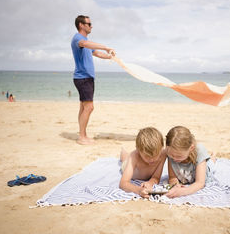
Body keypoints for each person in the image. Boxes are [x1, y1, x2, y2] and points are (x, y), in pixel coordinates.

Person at [71, 15, 116, 145]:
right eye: (89, 24)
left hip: (87, 78)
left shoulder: (86, 41)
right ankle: (82, 137)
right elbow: (85, 44)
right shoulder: (78, 39)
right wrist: (106, 47)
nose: (91, 26)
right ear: (81, 25)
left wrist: (109, 57)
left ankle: (82, 134)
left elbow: (96, 53)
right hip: (83, 77)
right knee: (89, 107)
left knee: (84, 107)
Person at [165, 126, 215, 198]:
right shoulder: (170, 151)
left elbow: (200, 183)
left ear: (191, 148)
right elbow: (172, 178)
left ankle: (212, 157)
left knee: (211, 164)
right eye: (172, 155)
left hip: (206, 169)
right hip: (188, 176)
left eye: (179, 156)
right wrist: (175, 186)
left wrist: (183, 191)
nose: (174, 158)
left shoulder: (199, 150)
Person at [119, 127, 167, 198]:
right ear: (138, 150)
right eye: (147, 156)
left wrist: (151, 182)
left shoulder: (162, 155)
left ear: (162, 148)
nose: (152, 159)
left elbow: (156, 177)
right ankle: (123, 151)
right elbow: (123, 183)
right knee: (125, 159)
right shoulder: (135, 156)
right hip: (127, 166)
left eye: (156, 155)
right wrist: (139, 190)